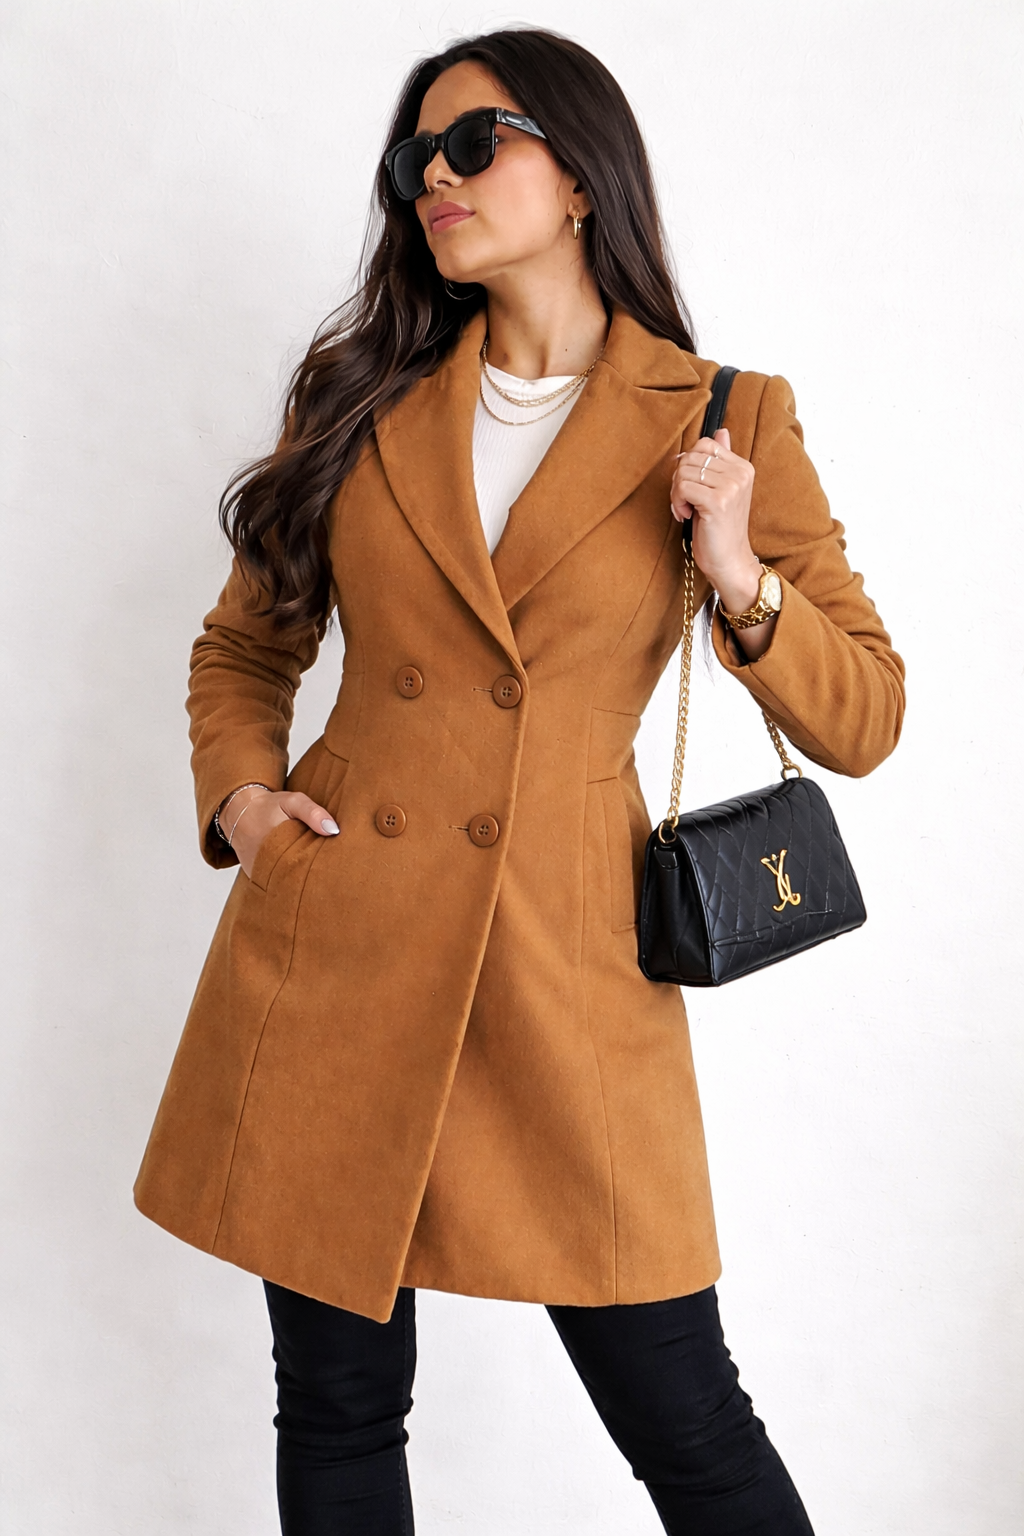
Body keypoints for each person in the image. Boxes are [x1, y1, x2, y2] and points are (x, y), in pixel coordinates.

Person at [135, 27, 904, 1536]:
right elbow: (245, 646)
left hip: (564, 973)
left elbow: (867, 717)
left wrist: (738, 573)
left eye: (474, 142)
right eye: (413, 156)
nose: (436, 176)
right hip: (342, 947)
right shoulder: (359, 394)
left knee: (691, 1424)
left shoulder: (724, 415)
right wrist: (243, 805)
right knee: (337, 1411)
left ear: (581, 173)